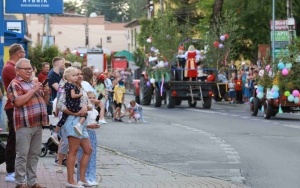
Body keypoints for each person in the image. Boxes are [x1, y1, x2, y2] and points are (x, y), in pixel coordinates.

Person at [8, 58, 50, 188]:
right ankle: (20, 183)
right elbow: (18, 102)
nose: (29, 71)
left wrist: (46, 92)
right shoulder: (15, 84)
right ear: (17, 71)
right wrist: (33, 90)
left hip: (37, 123)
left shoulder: (33, 82)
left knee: (34, 154)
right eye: (25, 69)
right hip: (24, 124)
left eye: (30, 68)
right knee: (22, 154)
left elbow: (45, 101)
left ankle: (32, 182)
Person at [57, 67, 92, 187]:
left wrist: (88, 107)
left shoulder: (81, 88)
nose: (79, 76)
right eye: (77, 74)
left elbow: (89, 103)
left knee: (88, 149)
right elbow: (60, 104)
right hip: (72, 121)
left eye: (81, 74)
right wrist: (75, 113)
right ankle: (70, 180)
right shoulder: (68, 88)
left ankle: (81, 179)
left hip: (82, 123)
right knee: (73, 151)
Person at [1, 43, 26, 183]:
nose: (24, 54)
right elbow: (21, 84)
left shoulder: (11, 67)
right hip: (13, 106)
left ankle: (14, 170)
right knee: (13, 139)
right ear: (17, 53)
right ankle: (10, 170)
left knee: (17, 139)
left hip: (16, 106)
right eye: (23, 52)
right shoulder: (10, 68)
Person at [77, 91, 100, 186]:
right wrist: (89, 126)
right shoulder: (84, 110)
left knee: (93, 156)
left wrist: (96, 125)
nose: (92, 99)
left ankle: (91, 176)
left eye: (93, 97)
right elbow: (81, 123)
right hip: (85, 132)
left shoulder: (95, 111)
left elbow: (94, 121)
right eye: (90, 97)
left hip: (93, 134)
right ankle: (82, 177)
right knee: (82, 154)